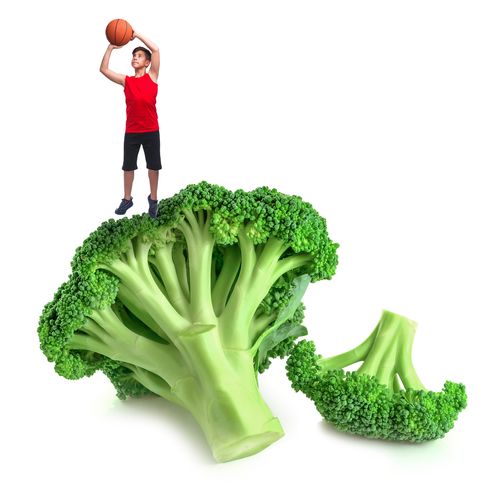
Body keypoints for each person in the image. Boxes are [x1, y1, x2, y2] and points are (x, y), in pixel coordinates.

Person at [100, 28, 161, 218]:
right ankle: (127, 199)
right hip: (132, 132)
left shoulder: (152, 76)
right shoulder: (126, 81)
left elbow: (156, 50)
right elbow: (103, 70)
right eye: (134, 55)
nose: (135, 58)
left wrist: (137, 34)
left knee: (153, 166)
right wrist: (110, 47)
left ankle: (153, 199)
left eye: (140, 55)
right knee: (128, 166)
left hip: (151, 130)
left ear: (147, 62)